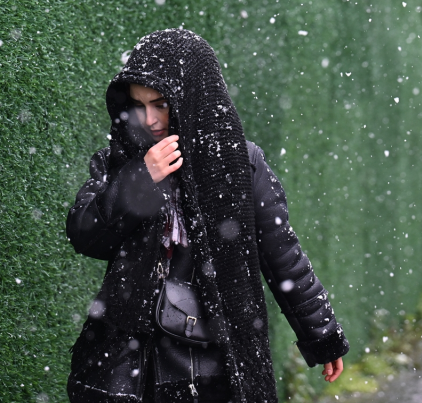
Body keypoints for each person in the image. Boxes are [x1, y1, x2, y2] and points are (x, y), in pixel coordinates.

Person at [66, 29, 349, 403]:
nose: (150, 119)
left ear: (193, 95)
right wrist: (141, 180)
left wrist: (322, 335)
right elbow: (85, 234)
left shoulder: (240, 162)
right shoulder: (121, 160)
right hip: (134, 368)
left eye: (161, 103)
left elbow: (282, 254)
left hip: (218, 364)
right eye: (139, 104)